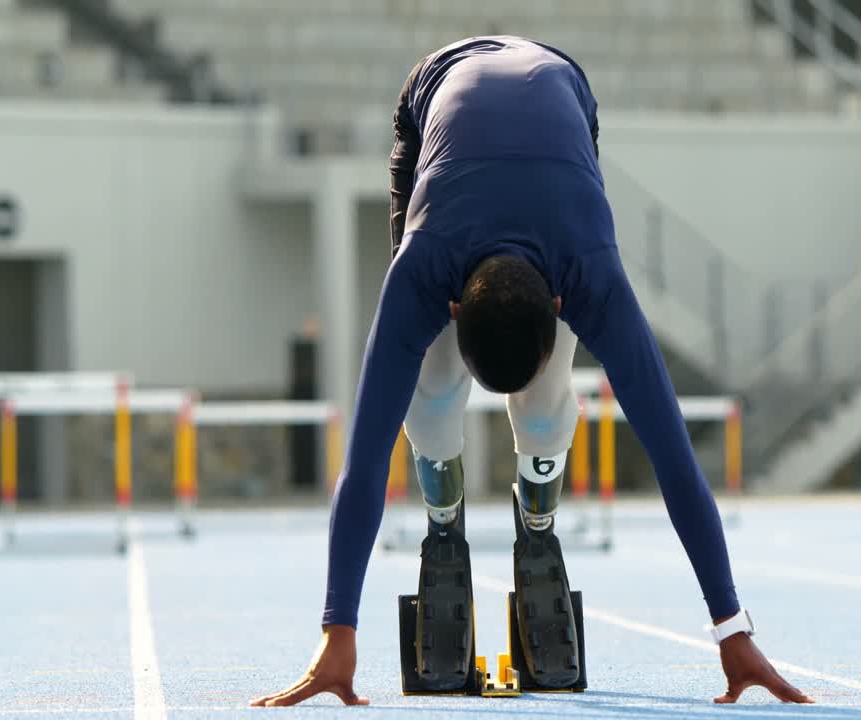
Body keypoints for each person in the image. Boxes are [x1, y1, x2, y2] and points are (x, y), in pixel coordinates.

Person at [251, 36, 812, 707]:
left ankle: (536, 526)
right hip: (430, 97)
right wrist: (336, 627)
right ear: (450, 307)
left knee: (545, 412)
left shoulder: (589, 270)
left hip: (565, 94)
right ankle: (444, 518)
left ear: (561, 304)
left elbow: (674, 459)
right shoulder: (423, 266)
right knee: (427, 404)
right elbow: (365, 462)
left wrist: (732, 624)